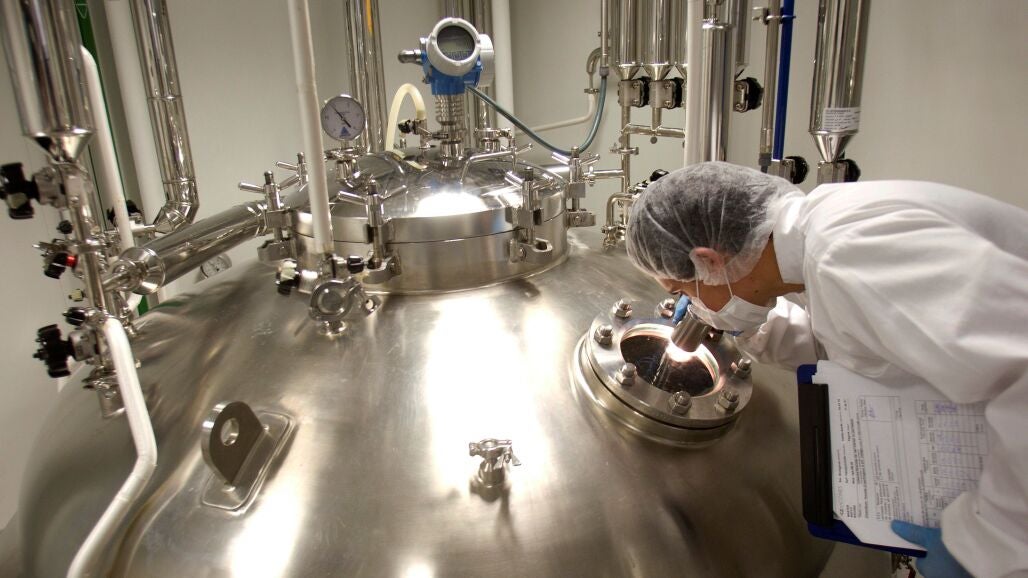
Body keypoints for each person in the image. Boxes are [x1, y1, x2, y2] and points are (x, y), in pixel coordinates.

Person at [626, 161, 1028, 578]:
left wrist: (990, 548)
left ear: (709, 261)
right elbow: (856, 341)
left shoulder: (845, 252)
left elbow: (1022, 366)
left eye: (684, 290)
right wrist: (752, 327)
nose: (694, 305)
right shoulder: (819, 246)